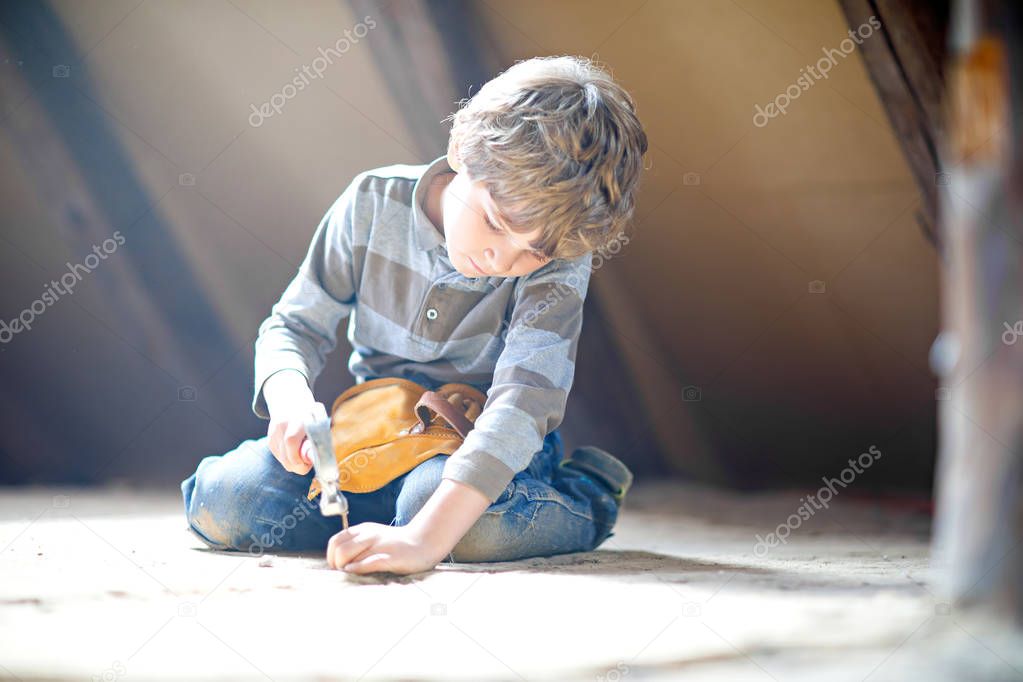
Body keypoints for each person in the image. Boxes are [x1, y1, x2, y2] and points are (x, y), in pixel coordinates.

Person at [180, 55, 648, 575]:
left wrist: (425, 541)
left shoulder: (562, 257)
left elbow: (524, 401)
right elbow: (294, 326)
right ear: (461, 154)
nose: (506, 261)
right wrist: (288, 396)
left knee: (457, 527)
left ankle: (588, 498)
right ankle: (393, 515)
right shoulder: (370, 202)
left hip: (479, 443)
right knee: (222, 503)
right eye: (495, 223)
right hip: (371, 432)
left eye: (534, 252)